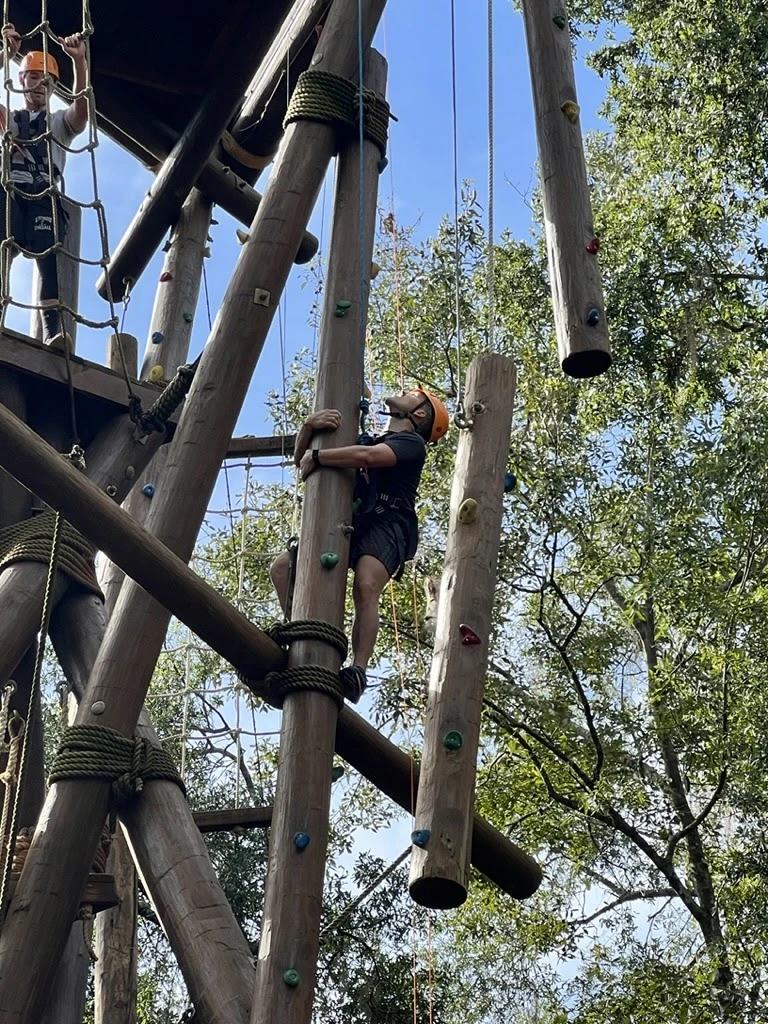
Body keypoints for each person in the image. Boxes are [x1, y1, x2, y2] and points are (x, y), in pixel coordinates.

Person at [270, 389, 450, 700]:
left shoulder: (411, 444)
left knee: (366, 585)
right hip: (353, 520)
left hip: (388, 523)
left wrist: (319, 456)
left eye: (412, 395)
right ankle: (299, 633)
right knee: (282, 568)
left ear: (419, 413)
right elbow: (302, 462)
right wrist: (309, 428)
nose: (404, 392)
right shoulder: (369, 440)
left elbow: (369, 459)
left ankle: (358, 669)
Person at [0, 25, 88, 350]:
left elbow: (82, 109)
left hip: (44, 196)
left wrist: (79, 62)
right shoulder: (8, 119)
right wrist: (5, 56)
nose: (41, 86)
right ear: (22, 80)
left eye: (47, 81)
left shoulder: (59, 123)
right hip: (10, 192)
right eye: (35, 78)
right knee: (1, 251)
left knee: (50, 261)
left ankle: (53, 330)